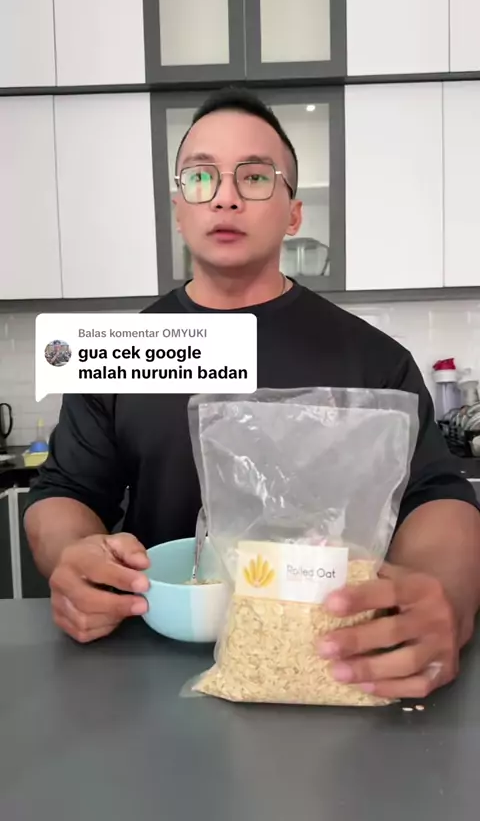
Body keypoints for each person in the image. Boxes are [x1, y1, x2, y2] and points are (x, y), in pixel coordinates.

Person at [24, 87, 480, 701]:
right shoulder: (122, 350)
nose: (226, 195)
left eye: (256, 177)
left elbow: (438, 499)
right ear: (179, 209)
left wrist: (444, 597)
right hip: (150, 672)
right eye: (201, 177)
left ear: (294, 213)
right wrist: (73, 555)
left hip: (334, 664)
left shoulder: (373, 360)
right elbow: (64, 493)